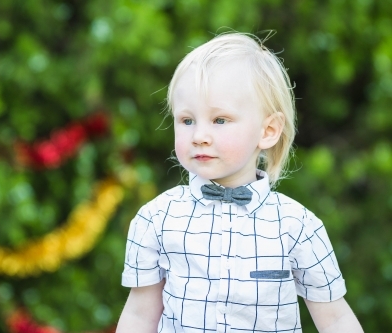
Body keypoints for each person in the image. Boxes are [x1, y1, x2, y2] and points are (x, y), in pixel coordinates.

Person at [116, 32, 364, 333]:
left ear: (268, 130)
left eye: (220, 120)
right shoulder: (156, 219)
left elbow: (335, 319)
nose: (199, 136)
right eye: (187, 120)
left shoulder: (297, 226)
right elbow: (140, 316)